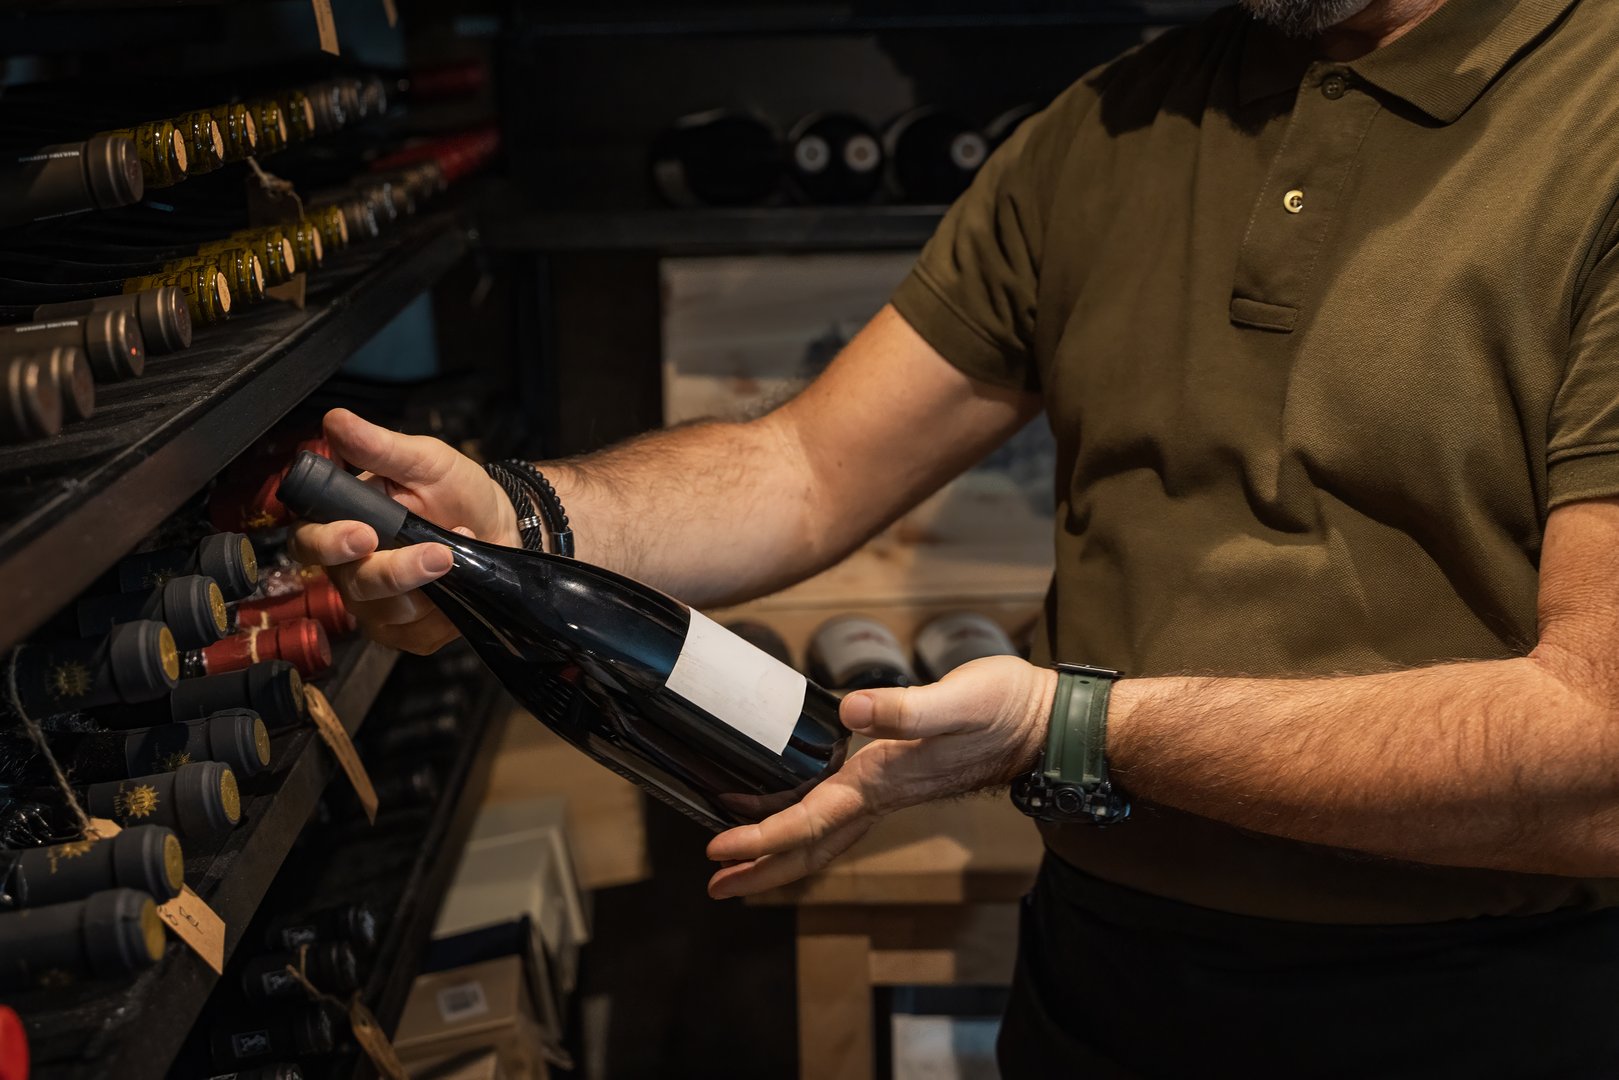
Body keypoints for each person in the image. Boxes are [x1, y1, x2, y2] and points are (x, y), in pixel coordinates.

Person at [292, 0, 1619, 1073]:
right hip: (1097, 979)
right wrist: (522, 519)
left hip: (1491, 1006)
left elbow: (1597, 744)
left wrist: (1067, 728)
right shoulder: (1114, 122)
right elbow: (807, 467)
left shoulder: (1594, 108)